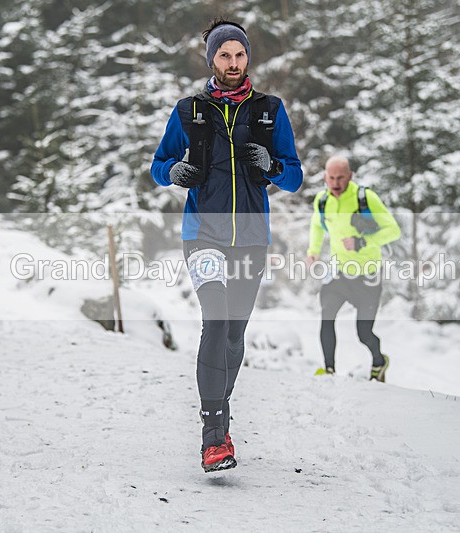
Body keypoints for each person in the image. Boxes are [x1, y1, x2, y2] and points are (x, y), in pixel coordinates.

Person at [151, 18, 302, 472]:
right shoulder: (189, 111)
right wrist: (173, 172)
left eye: (239, 54)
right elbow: (159, 164)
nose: (233, 63)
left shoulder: (270, 110)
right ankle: (213, 435)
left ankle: (221, 415)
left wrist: (272, 165)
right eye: (224, 55)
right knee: (215, 321)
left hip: (251, 240)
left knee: (234, 335)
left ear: (247, 58)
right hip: (203, 235)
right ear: (211, 60)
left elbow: (294, 177)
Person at [306, 155, 400, 382]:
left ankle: (379, 361)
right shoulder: (322, 200)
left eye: (340, 177)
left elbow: (393, 230)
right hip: (339, 274)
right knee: (326, 316)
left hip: (368, 277)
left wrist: (362, 241)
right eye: (331, 178)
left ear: (350, 176)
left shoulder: (365, 198)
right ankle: (329, 370)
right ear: (325, 177)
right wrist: (313, 251)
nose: (336, 183)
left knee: (364, 333)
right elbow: (317, 225)